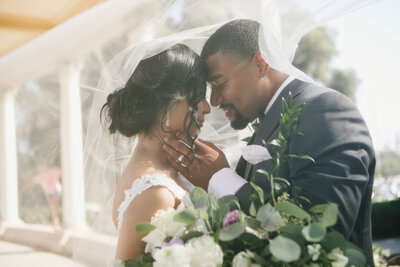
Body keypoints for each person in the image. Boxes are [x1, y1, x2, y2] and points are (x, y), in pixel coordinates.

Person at [163, 19, 375, 266]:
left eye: (219, 84)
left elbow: (323, 239)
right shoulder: (265, 123)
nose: (215, 100)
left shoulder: (327, 112)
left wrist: (220, 177)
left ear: (260, 64)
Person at [100, 43, 210, 260]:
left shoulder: (165, 168)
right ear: (166, 102)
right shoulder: (154, 192)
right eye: (198, 96)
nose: (206, 107)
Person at [19, 163, 62, 231]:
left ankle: (56, 225)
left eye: (40, 166)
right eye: (38, 167)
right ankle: (56, 225)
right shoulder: (39, 176)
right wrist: (22, 190)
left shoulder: (53, 170)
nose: (39, 168)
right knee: (53, 209)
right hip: (48, 193)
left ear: (44, 165)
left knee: (54, 208)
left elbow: (64, 173)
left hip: (56, 191)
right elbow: (30, 184)